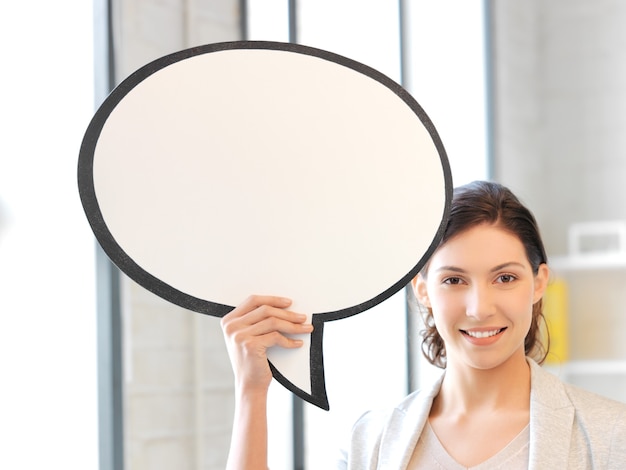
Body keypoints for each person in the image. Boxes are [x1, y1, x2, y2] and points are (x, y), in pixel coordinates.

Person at [221, 180, 626, 469]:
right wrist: (251, 393)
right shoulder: (372, 441)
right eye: (454, 280)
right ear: (423, 290)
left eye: (505, 278)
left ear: (538, 283)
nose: (479, 308)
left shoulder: (611, 436)